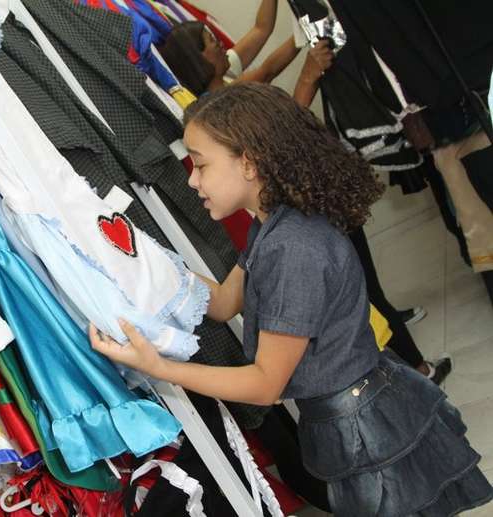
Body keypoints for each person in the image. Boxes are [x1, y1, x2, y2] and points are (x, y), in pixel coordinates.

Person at [89, 83, 492, 516]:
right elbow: (224, 303)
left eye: (200, 164)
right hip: (359, 408)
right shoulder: (274, 224)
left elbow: (264, 385)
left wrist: (159, 367)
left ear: (248, 162)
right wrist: (147, 261)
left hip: (364, 422)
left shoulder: (291, 249)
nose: (192, 179)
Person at [295, 38, 451, 384]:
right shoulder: (233, 112)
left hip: (321, 205)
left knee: (367, 291)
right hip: (317, 210)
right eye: (208, 43)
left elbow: (263, 35)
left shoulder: (231, 93)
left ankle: (414, 368)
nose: (219, 45)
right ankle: (420, 371)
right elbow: (285, 139)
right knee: (366, 292)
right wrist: (307, 78)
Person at [159, 4, 303, 96]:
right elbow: (268, 71)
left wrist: (304, 32)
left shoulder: (222, 76)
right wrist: (306, 31)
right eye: (213, 41)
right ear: (200, 57)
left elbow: (261, 29)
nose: (221, 44)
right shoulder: (225, 97)